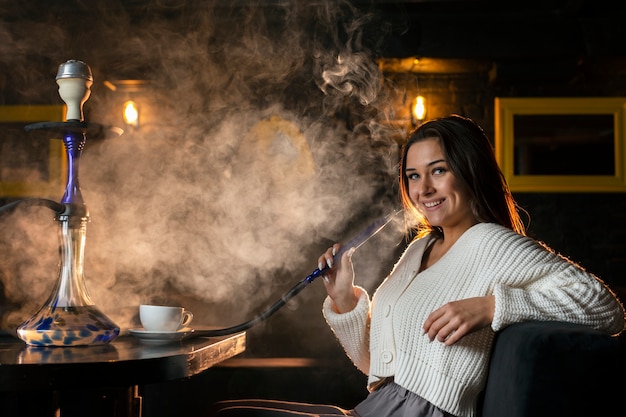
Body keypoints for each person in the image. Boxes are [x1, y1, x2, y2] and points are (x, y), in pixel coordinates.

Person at [209, 115, 625, 417]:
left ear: (469, 171)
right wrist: (343, 299)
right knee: (224, 411)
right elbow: (375, 363)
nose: (422, 189)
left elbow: (605, 308)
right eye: (412, 176)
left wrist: (492, 308)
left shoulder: (492, 242)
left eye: (438, 171)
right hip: (377, 407)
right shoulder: (420, 249)